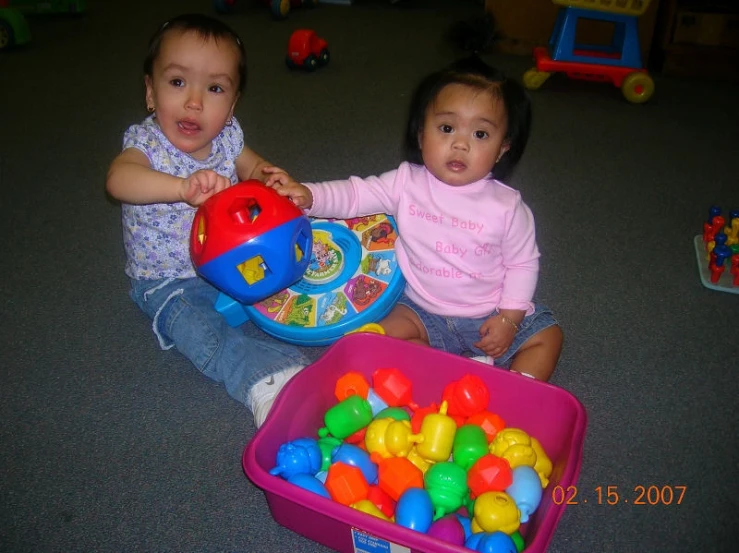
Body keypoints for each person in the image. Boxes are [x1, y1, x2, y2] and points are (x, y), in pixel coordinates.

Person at [268, 56, 563, 381]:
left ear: (502, 149)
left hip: (489, 312)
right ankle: (440, 368)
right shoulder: (405, 182)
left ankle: (514, 391)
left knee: (547, 338)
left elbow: (523, 264)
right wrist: (309, 195)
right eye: (447, 128)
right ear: (422, 134)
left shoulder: (508, 207)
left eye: (480, 134)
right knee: (370, 337)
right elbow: (354, 196)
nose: (461, 144)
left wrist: (509, 319)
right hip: (420, 311)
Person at [106, 13, 312, 427]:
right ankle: (265, 379)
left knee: (296, 268)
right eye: (178, 82)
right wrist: (180, 187)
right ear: (150, 92)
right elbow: (118, 180)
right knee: (198, 329)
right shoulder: (146, 144)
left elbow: (254, 167)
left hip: (230, 258)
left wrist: (274, 178)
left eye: (214, 88)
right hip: (168, 280)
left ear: (232, 104)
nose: (194, 101)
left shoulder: (228, 136)